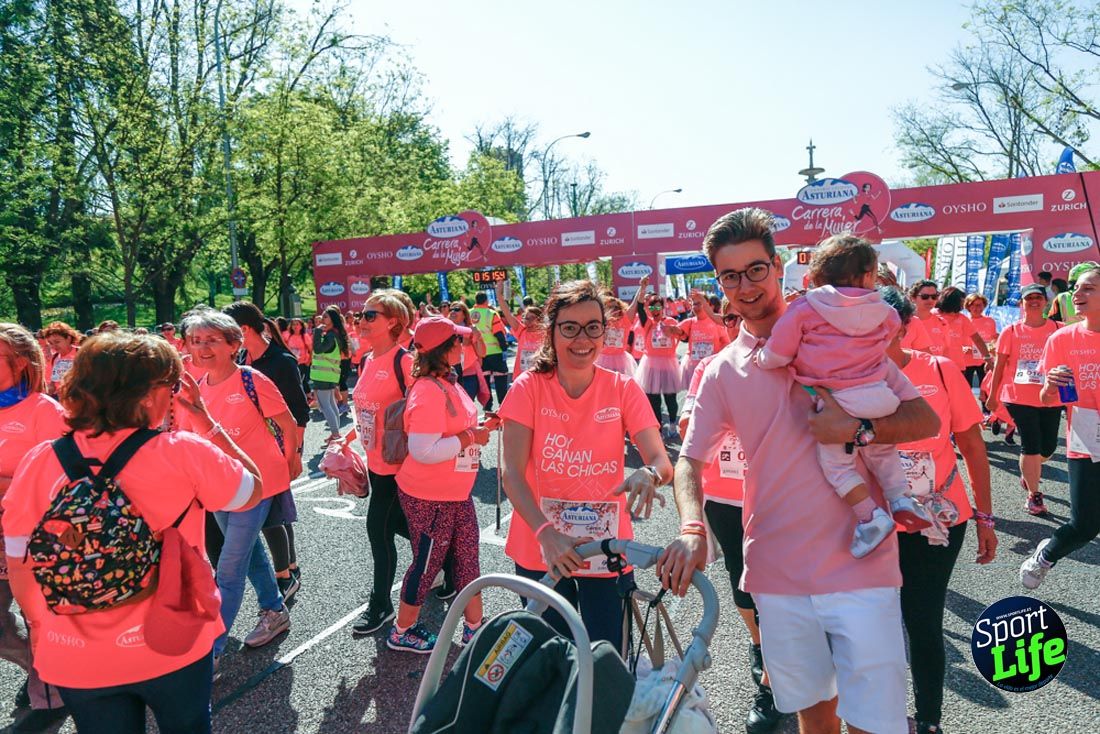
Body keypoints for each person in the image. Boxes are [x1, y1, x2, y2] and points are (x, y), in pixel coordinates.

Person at [658, 207, 939, 734]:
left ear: (778, 265)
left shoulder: (844, 332)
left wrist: (858, 432)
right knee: (814, 715)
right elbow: (689, 461)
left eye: (756, 269)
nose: (745, 286)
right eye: (730, 275)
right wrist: (693, 527)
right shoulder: (720, 370)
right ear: (718, 281)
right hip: (778, 572)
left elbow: (924, 417)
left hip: (862, 562)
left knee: (876, 723)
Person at [3, 331, 265, 734]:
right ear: (148, 394)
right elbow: (253, 490)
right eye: (171, 385)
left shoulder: (41, 460)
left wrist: (43, 627)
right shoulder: (183, 452)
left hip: (74, 650)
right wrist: (205, 419)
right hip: (171, 639)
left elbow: (20, 560)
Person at [499, 280, 672, 650]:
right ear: (552, 331)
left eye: (593, 327)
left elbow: (661, 460)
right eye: (570, 328)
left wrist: (649, 473)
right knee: (549, 660)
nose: (583, 339)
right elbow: (510, 473)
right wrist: (546, 532)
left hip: (606, 546)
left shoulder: (623, 389)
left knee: (606, 656)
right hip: (540, 545)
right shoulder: (527, 388)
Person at [756, 235, 933, 557]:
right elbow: (890, 330)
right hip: (880, 394)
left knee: (837, 467)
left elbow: (779, 353)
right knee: (882, 453)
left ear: (817, 275)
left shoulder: (805, 308)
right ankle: (901, 499)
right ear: (868, 275)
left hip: (838, 399)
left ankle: (870, 518)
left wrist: (763, 359)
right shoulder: (884, 311)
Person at [879, 288, 998, 734]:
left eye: (887, 325)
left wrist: (986, 518)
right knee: (875, 623)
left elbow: (972, 447)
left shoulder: (941, 371)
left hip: (939, 517)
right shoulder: (850, 378)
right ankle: (882, 715)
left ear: (905, 326)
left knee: (923, 619)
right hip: (875, 520)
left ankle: (929, 720)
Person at [678, 302, 780, 732]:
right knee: (744, 583)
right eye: (733, 318)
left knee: (778, 590)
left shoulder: (789, 360)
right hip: (725, 495)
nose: (742, 324)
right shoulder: (712, 368)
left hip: (780, 493)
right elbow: (688, 428)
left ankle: (774, 684)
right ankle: (761, 652)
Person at [179, 309, 298, 662]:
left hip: (256, 483)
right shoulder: (197, 386)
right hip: (218, 485)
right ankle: (274, 610)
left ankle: (210, 653)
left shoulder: (251, 379)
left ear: (234, 344)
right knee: (249, 555)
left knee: (228, 570)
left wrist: (291, 460)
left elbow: (288, 423)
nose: (202, 348)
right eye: (196, 340)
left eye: (212, 340)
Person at [390, 316, 495, 653]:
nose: (464, 347)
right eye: (458, 342)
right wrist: (470, 436)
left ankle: (474, 628)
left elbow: (454, 431)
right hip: (430, 495)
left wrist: (479, 428)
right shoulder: (428, 391)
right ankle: (402, 631)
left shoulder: (445, 382)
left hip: (453, 493)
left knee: (467, 557)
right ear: (445, 349)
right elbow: (423, 450)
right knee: (427, 564)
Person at [0, 324, 68, 732]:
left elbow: (62, 479)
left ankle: (52, 688)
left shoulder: (45, 411)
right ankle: (40, 665)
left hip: (31, 532)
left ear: (20, 363)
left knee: (40, 615)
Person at [224, 302, 309, 602]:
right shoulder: (246, 358)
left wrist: (295, 453)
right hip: (256, 448)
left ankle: (284, 576)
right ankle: (292, 566)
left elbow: (299, 412)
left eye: (227, 332)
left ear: (244, 330)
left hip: (280, 447)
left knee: (273, 516)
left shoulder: (280, 361)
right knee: (279, 513)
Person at [1021, 265, 1100, 589]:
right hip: (1085, 440)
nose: (1076, 295)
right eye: (1075, 288)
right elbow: (1046, 398)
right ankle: (1044, 556)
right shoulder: (1061, 339)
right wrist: (1050, 387)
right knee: (1084, 525)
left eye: (1088, 289)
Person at [345, 291, 416, 635]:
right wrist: (345, 439)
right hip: (375, 460)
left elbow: (428, 406)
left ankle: (381, 604)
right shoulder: (367, 360)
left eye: (371, 315)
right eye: (362, 314)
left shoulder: (405, 361)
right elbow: (366, 408)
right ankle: (444, 557)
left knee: (378, 528)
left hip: (400, 464)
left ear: (393, 322)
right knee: (398, 524)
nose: (362, 320)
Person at [985, 283, 1061, 516]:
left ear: (1046, 302)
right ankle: (1034, 495)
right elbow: (999, 366)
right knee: (1031, 443)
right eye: (1029, 298)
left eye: (1039, 297)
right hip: (1018, 396)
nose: (1034, 301)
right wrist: (992, 396)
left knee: (1048, 447)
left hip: (1050, 396)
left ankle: (1029, 472)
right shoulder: (1011, 331)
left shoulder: (1058, 329)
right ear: (1022, 303)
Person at [634, 292, 685, 440]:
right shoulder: (648, 323)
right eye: (652, 306)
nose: (655, 309)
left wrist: (674, 330)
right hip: (650, 365)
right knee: (653, 399)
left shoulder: (671, 321)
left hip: (669, 363)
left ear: (662, 307)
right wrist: (642, 288)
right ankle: (658, 429)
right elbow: (638, 308)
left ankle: (673, 424)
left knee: (670, 398)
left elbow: (682, 335)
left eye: (657, 306)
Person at [311, 306, 350, 442]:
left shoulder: (331, 335)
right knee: (331, 404)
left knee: (326, 405)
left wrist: (316, 332)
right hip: (329, 375)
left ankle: (335, 435)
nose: (322, 318)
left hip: (323, 376)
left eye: (325, 316)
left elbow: (318, 349)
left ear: (332, 319)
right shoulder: (335, 334)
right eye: (322, 315)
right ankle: (336, 432)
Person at [677, 291, 729, 390]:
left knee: (713, 395)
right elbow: (679, 334)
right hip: (694, 366)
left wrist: (718, 356)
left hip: (712, 366)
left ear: (708, 305)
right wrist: (676, 332)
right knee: (694, 393)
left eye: (698, 303)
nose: (695, 307)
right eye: (693, 304)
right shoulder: (690, 322)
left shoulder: (716, 322)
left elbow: (726, 341)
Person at [494, 281, 543, 379]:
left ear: (539, 319)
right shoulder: (521, 331)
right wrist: (499, 295)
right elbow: (507, 312)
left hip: (539, 377)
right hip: (521, 378)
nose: (527, 321)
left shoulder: (546, 334)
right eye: (526, 318)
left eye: (531, 318)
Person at [935, 286, 991, 371]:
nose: (963, 306)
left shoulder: (962, 318)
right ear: (952, 301)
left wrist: (987, 358)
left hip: (957, 366)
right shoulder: (933, 315)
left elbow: (977, 339)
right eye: (961, 302)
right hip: (936, 364)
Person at [470, 291, 510, 408]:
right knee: (501, 379)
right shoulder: (491, 313)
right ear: (486, 300)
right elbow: (498, 333)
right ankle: (503, 405)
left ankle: (487, 405)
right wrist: (504, 348)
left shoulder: (468, 313)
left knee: (484, 381)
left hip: (479, 354)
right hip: (495, 352)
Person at [595, 282, 643, 377]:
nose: (614, 309)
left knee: (619, 389)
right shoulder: (599, 322)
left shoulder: (625, 321)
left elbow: (634, 304)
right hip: (601, 361)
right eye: (610, 307)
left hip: (621, 362)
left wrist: (642, 287)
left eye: (616, 307)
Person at [447, 300, 487, 404]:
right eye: (451, 309)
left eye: (457, 309)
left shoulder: (471, 330)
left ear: (464, 315)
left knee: (466, 405)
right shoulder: (445, 330)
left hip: (468, 376)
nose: (452, 312)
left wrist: (477, 337)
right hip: (450, 375)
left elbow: (482, 353)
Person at [907, 281, 955, 359]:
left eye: (934, 297)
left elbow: (946, 350)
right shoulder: (903, 322)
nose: (930, 300)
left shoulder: (942, 323)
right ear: (913, 298)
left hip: (935, 369)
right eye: (925, 296)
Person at [962, 293, 998, 391]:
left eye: (979, 305)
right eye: (973, 305)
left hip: (984, 361)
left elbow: (994, 339)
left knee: (986, 390)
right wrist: (963, 349)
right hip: (967, 361)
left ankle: (986, 407)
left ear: (984, 306)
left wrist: (994, 346)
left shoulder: (990, 321)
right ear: (968, 306)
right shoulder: (963, 321)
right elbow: (955, 340)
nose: (976, 308)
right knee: (965, 391)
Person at [41, 321, 81, 397]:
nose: (54, 346)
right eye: (50, 343)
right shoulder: (54, 358)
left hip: (78, 396)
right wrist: (51, 386)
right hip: (60, 397)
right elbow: (51, 380)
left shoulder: (81, 353)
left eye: (57, 342)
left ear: (68, 338)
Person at [285, 318, 313, 399]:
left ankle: (306, 397)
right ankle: (304, 397)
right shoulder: (288, 336)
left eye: (297, 324)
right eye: (293, 324)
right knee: (295, 381)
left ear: (301, 326)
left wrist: (309, 361)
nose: (295, 326)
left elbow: (311, 350)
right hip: (291, 362)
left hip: (302, 363)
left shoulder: (305, 336)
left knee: (301, 381)